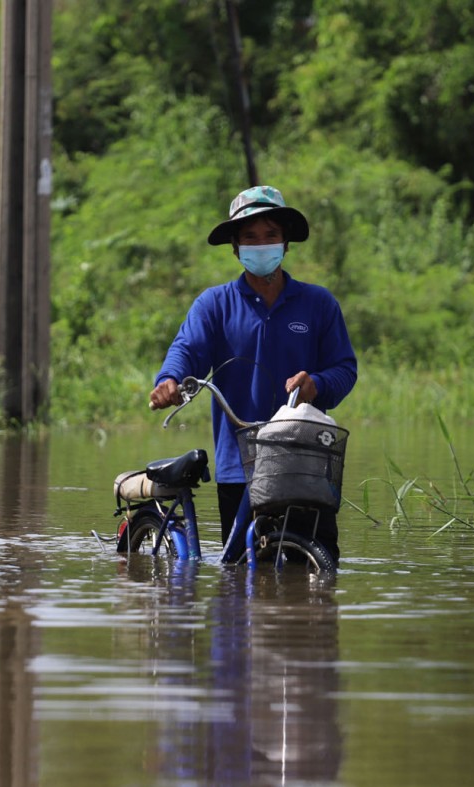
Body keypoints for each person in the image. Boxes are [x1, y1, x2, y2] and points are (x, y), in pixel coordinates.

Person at [149, 186, 357, 563]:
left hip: (306, 459)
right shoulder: (215, 304)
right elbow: (188, 350)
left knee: (320, 563)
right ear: (235, 247)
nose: (261, 245)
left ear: (286, 244)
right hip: (238, 464)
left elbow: (345, 368)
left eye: (270, 236)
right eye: (250, 238)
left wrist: (317, 384)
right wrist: (171, 380)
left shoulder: (319, 304)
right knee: (241, 570)